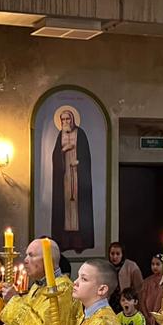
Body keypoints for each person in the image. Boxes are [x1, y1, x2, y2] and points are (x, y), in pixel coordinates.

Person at [50, 108, 93, 252]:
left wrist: (79, 162)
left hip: (78, 175)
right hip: (64, 177)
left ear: (73, 120)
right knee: (66, 207)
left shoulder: (80, 133)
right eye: (63, 120)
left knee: (77, 209)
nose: (65, 122)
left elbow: (86, 155)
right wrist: (63, 150)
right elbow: (55, 155)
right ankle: (65, 242)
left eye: (68, 119)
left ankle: (79, 243)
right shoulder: (60, 134)